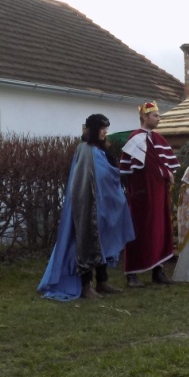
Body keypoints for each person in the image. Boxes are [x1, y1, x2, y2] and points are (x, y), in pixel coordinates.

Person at [39, 114, 134, 301]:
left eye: (106, 128)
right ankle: (85, 286)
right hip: (88, 204)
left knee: (103, 241)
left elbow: (107, 174)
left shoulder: (101, 150)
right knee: (87, 243)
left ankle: (102, 281)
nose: (105, 132)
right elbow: (81, 180)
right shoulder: (84, 150)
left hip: (103, 204)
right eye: (102, 128)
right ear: (93, 129)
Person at [118, 102, 179, 288]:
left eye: (159, 116)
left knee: (160, 230)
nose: (159, 119)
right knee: (138, 231)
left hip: (159, 195)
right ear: (145, 117)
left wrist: (167, 174)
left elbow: (164, 165)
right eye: (155, 116)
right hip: (142, 197)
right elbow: (130, 170)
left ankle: (158, 271)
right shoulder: (135, 138)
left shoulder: (159, 139)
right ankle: (132, 274)